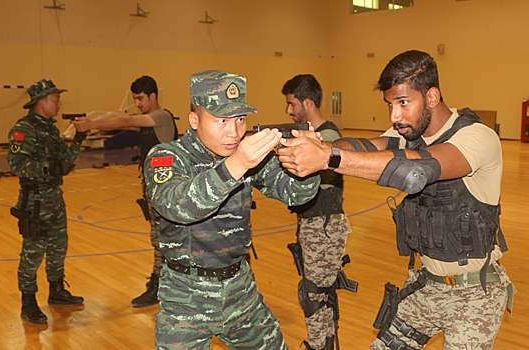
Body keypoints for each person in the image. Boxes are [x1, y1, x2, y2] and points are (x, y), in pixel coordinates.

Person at [277, 50, 515, 350]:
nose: (395, 116)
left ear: (431, 97)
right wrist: (318, 144)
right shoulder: (408, 132)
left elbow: (417, 170)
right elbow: (364, 145)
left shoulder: (477, 138)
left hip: (474, 294)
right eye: (390, 105)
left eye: (403, 103)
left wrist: (327, 157)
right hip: (427, 286)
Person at [143, 70, 320, 349]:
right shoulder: (167, 156)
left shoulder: (245, 155)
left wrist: (308, 164)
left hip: (240, 291)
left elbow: (296, 195)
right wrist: (236, 165)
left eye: (239, 119)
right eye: (221, 120)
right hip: (186, 298)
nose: (234, 131)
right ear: (194, 120)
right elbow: (177, 206)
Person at [71, 75, 178, 308]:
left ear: (153, 96)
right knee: (158, 238)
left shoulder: (162, 116)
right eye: (135, 99)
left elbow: (128, 122)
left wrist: (92, 125)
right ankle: (160, 281)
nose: (138, 103)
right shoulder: (152, 119)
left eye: (140, 98)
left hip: (166, 190)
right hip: (154, 187)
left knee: (162, 239)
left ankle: (161, 285)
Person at [281, 74, 355, 350]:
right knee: (314, 294)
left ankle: (319, 344)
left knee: (316, 295)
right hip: (313, 224)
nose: (289, 111)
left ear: (307, 102)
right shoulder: (309, 137)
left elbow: (325, 163)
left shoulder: (329, 136)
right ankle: (320, 343)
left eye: (292, 104)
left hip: (324, 225)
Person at [8, 79, 89, 325]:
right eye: (55, 99)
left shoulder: (51, 129)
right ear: (41, 102)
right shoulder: (23, 129)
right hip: (35, 201)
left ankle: (56, 291)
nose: (59, 103)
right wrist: (48, 168)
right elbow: (17, 164)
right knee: (33, 252)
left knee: (58, 246)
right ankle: (28, 302)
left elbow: (63, 163)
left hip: (54, 197)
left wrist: (78, 140)